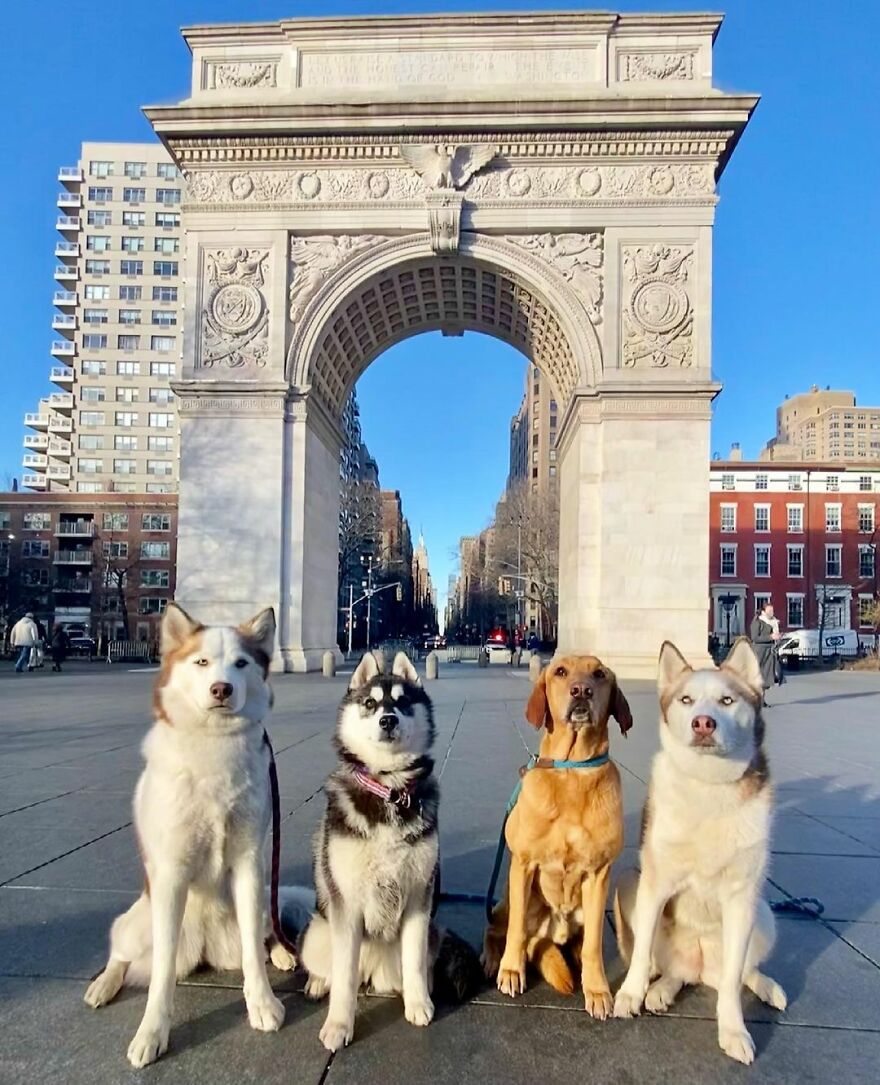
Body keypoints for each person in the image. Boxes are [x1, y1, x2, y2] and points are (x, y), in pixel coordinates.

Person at [749, 602, 780, 704]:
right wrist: (770, 637)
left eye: (772, 610)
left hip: (769, 651)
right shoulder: (757, 622)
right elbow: (754, 638)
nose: (772, 612)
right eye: (769, 611)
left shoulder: (773, 622)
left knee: (766, 676)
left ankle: (762, 699)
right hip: (759, 651)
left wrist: (777, 637)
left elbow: (773, 635)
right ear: (763, 611)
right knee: (758, 675)